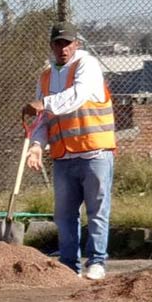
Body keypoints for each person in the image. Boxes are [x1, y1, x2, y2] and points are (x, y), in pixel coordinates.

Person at [22, 21, 115, 281]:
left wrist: (43, 103)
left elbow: (77, 95)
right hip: (63, 156)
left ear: (77, 44)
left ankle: (96, 262)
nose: (63, 48)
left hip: (94, 152)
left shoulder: (87, 66)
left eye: (67, 43)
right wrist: (37, 146)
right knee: (64, 215)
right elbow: (43, 119)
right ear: (51, 45)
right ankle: (68, 265)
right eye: (58, 43)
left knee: (97, 210)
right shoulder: (46, 76)